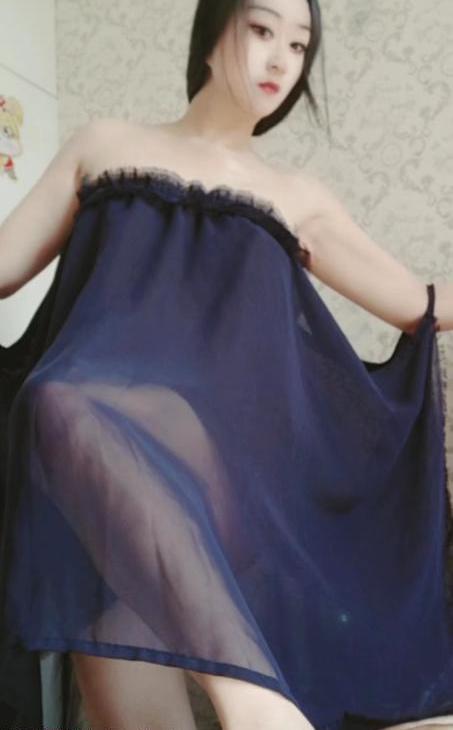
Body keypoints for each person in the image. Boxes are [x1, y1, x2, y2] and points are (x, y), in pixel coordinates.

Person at [0, 1, 452, 729]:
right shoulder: (102, 144)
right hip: (88, 468)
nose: (281, 60)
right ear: (213, 32)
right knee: (59, 403)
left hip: (222, 472)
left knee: (57, 397)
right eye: (263, 30)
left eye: (299, 46)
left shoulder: (298, 196)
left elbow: (415, 302)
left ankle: (260, 704)